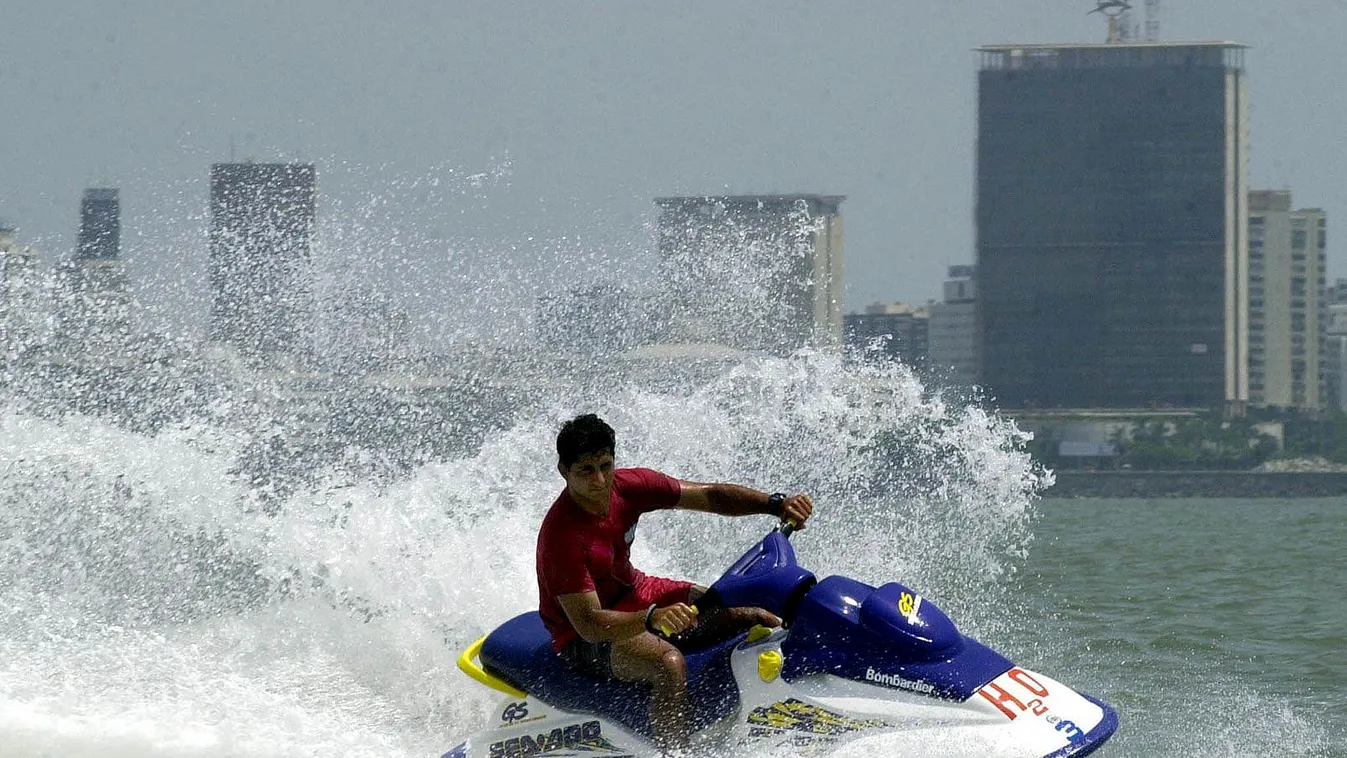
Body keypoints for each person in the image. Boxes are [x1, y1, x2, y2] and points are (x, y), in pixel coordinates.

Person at [536, 413, 814, 753]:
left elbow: (710, 496)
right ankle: (675, 752)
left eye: (605, 465)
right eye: (585, 471)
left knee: (757, 615)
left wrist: (775, 504)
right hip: (581, 635)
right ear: (563, 470)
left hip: (634, 592)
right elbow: (590, 624)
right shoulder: (561, 537)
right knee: (669, 665)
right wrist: (652, 618)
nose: (599, 480)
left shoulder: (629, 486)